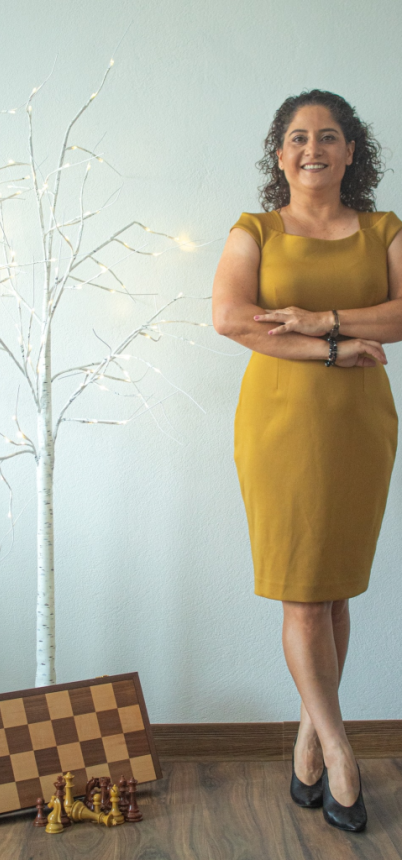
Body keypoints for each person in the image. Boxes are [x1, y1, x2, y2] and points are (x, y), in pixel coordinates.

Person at [212, 88, 402, 833]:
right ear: (280, 153)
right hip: (281, 427)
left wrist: (323, 320)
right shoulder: (255, 229)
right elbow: (230, 317)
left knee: (335, 592)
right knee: (303, 595)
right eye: (297, 137)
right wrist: (332, 350)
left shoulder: (384, 229)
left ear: (352, 151)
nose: (312, 148)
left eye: (328, 136)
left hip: (360, 427)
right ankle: (341, 752)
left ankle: (306, 746)